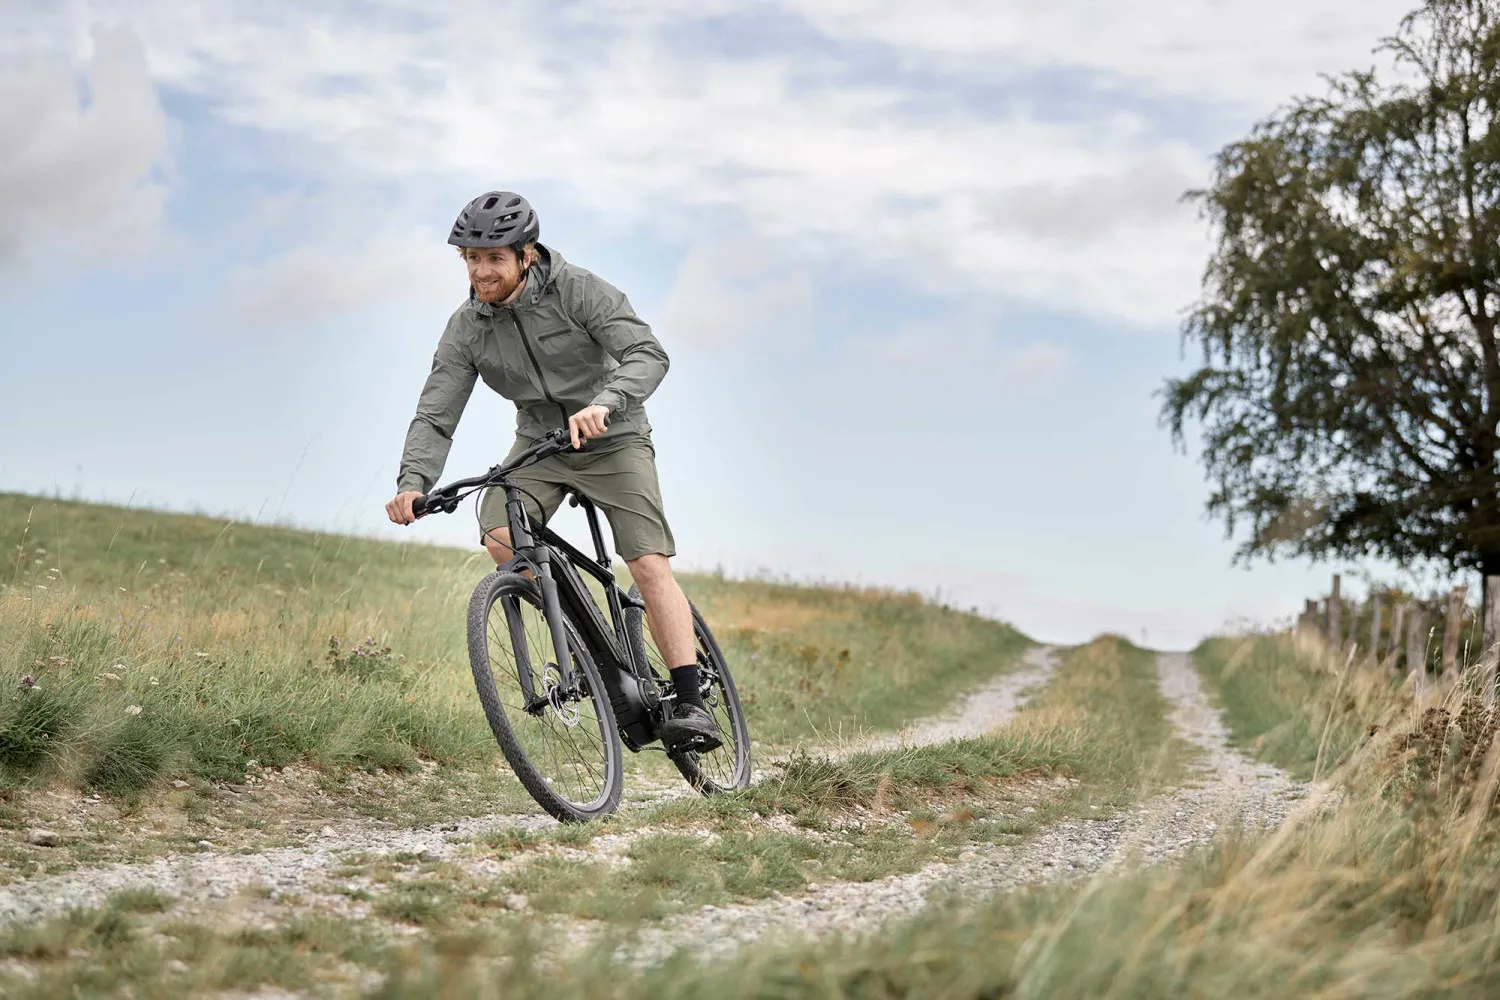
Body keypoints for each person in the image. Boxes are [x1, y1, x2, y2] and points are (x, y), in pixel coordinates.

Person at [384, 191, 720, 751]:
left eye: (493, 258)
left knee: (645, 560)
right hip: (541, 440)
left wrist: (606, 401)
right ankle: (588, 650)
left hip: (614, 435)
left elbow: (647, 353)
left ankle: (691, 701)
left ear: (527, 255)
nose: (480, 270)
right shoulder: (467, 327)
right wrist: (412, 483)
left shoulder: (578, 290)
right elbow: (436, 410)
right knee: (497, 532)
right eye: (470, 258)